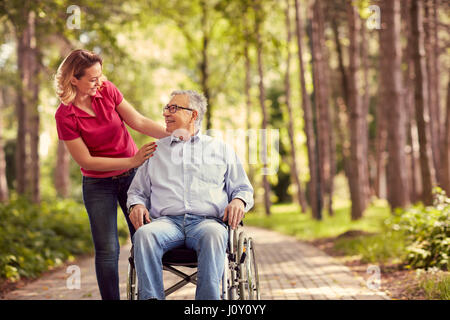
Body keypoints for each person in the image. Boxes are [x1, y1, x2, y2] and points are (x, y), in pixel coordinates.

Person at [54, 49, 168, 300]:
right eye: (92, 78)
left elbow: (137, 120)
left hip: (132, 179)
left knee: (145, 238)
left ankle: (151, 296)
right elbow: (85, 160)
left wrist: (174, 135)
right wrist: (132, 159)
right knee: (107, 250)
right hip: (97, 184)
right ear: (74, 79)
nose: (100, 81)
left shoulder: (107, 90)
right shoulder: (65, 115)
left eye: (100, 75)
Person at [127, 90, 254, 300]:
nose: (166, 113)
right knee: (143, 235)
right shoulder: (155, 151)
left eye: (173, 108)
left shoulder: (221, 150)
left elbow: (243, 188)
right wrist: (137, 205)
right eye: (166, 108)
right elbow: (137, 192)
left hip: (207, 223)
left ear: (193, 115)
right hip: (166, 223)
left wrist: (239, 201)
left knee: (214, 235)